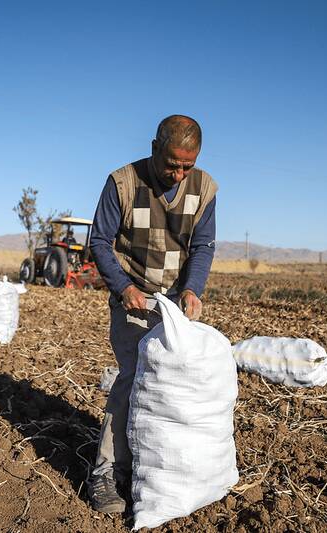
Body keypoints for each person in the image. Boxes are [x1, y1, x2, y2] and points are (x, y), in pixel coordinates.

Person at [87, 115, 218, 513]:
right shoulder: (123, 183)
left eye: (187, 166)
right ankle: (106, 471)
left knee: (175, 387)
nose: (179, 175)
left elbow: (203, 245)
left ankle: (158, 470)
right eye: (172, 164)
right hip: (133, 298)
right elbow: (99, 241)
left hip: (175, 305)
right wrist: (123, 287)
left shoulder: (205, 188)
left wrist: (192, 289)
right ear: (154, 148)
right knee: (133, 376)